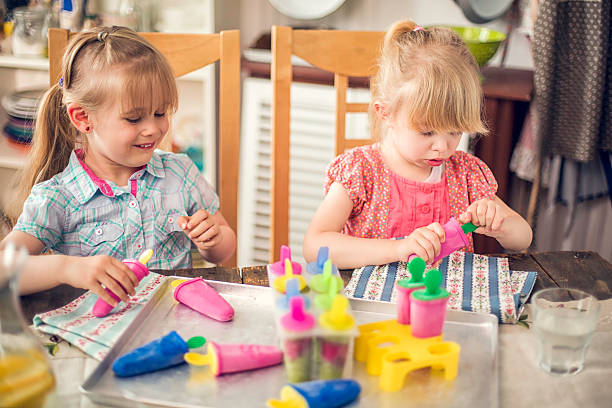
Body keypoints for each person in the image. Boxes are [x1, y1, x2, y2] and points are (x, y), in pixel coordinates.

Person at [0, 26, 236, 307]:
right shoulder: (58, 198)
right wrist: (67, 268)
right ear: (83, 117)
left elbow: (224, 249)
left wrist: (213, 241)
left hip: (173, 323)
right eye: (134, 119)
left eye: (160, 113)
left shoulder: (179, 172)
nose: (153, 129)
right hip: (95, 338)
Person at [303, 20, 532, 269]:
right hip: (371, 306)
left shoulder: (465, 174)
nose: (442, 147)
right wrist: (398, 248)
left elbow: (523, 238)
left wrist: (499, 222)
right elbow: (314, 247)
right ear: (386, 113)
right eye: (427, 132)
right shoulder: (360, 172)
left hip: (443, 302)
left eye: (455, 131)